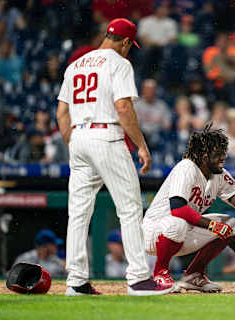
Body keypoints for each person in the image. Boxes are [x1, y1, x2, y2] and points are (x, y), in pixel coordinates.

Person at [56, 18, 173, 296]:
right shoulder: (119, 63)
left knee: (79, 212)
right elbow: (122, 106)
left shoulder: (75, 66)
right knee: (130, 207)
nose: (129, 50)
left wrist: (74, 142)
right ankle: (138, 278)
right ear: (124, 41)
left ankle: (75, 280)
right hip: (106, 135)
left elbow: (61, 113)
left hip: (79, 136)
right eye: (130, 45)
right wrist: (141, 145)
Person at [142, 124, 235, 293]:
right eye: (217, 153)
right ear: (203, 155)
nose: (223, 156)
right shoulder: (186, 167)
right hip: (155, 232)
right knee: (178, 222)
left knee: (231, 224)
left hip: (183, 233)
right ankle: (160, 273)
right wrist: (212, 226)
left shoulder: (219, 174)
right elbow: (178, 209)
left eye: (223, 151)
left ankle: (194, 275)